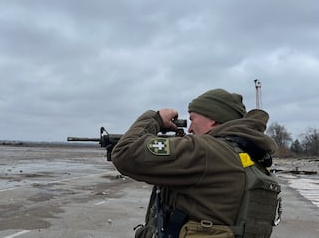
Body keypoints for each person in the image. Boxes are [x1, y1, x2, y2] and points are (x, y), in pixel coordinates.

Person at [111, 88, 278, 238]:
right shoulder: (247, 155)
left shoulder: (205, 151)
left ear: (213, 119)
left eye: (193, 119)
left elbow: (125, 153)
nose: (190, 129)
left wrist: (155, 119)